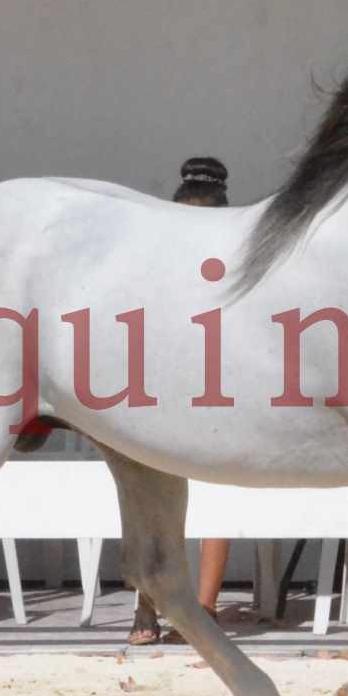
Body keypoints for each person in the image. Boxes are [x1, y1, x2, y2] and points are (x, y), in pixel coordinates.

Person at [127, 156, 233, 645]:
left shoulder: (224, 250)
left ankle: (199, 607)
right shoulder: (163, 254)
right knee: (152, 496)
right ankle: (155, 607)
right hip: (171, 378)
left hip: (210, 380)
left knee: (208, 495)